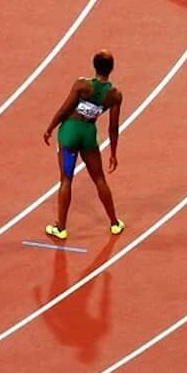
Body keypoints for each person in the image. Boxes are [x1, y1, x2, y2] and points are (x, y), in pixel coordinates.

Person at [42, 51, 125, 240]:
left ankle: (61, 228)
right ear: (111, 69)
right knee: (99, 179)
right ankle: (114, 223)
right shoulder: (114, 95)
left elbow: (65, 109)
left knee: (66, 179)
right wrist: (113, 152)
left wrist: (50, 127)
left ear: (94, 66)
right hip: (88, 135)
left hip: (70, 133)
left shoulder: (82, 85)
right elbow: (113, 127)